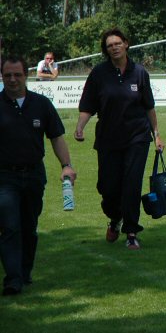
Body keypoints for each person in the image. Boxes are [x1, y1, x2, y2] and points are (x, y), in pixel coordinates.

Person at [74, 28, 164, 250]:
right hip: (108, 139)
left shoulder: (140, 73)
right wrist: (80, 127)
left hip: (137, 137)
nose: (113, 47)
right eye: (109, 45)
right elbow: (87, 105)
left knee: (132, 185)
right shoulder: (99, 74)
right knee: (108, 187)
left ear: (126, 44)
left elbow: (149, 107)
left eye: (117, 43)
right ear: (106, 50)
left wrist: (157, 135)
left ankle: (131, 232)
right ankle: (115, 218)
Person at [0, 55, 77, 296]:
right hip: (4, 177)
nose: (13, 79)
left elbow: (56, 137)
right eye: (8, 75)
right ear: (2, 77)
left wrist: (66, 165)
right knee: (9, 226)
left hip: (34, 175)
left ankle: (24, 271)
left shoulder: (41, 104)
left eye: (17, 75)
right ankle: (13, 278)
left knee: (28, 226)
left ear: (26, 75)